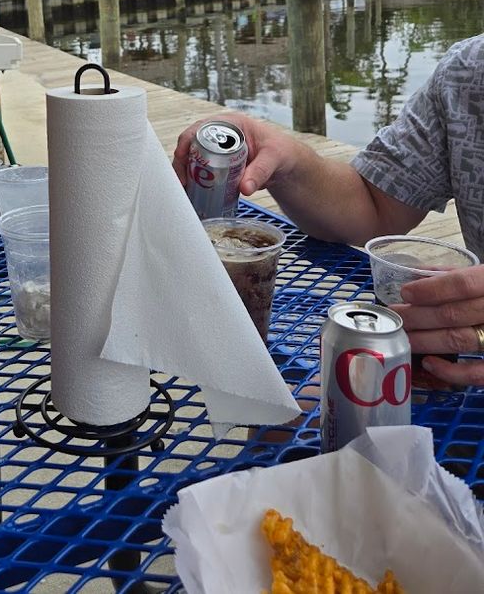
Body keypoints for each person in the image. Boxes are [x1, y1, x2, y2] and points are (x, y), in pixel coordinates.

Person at [173, 34, 484, 388]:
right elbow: (375, 205)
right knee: (279, 423)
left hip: (461, 345)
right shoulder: (470, 71)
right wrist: (291, 162)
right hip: (454, 351)